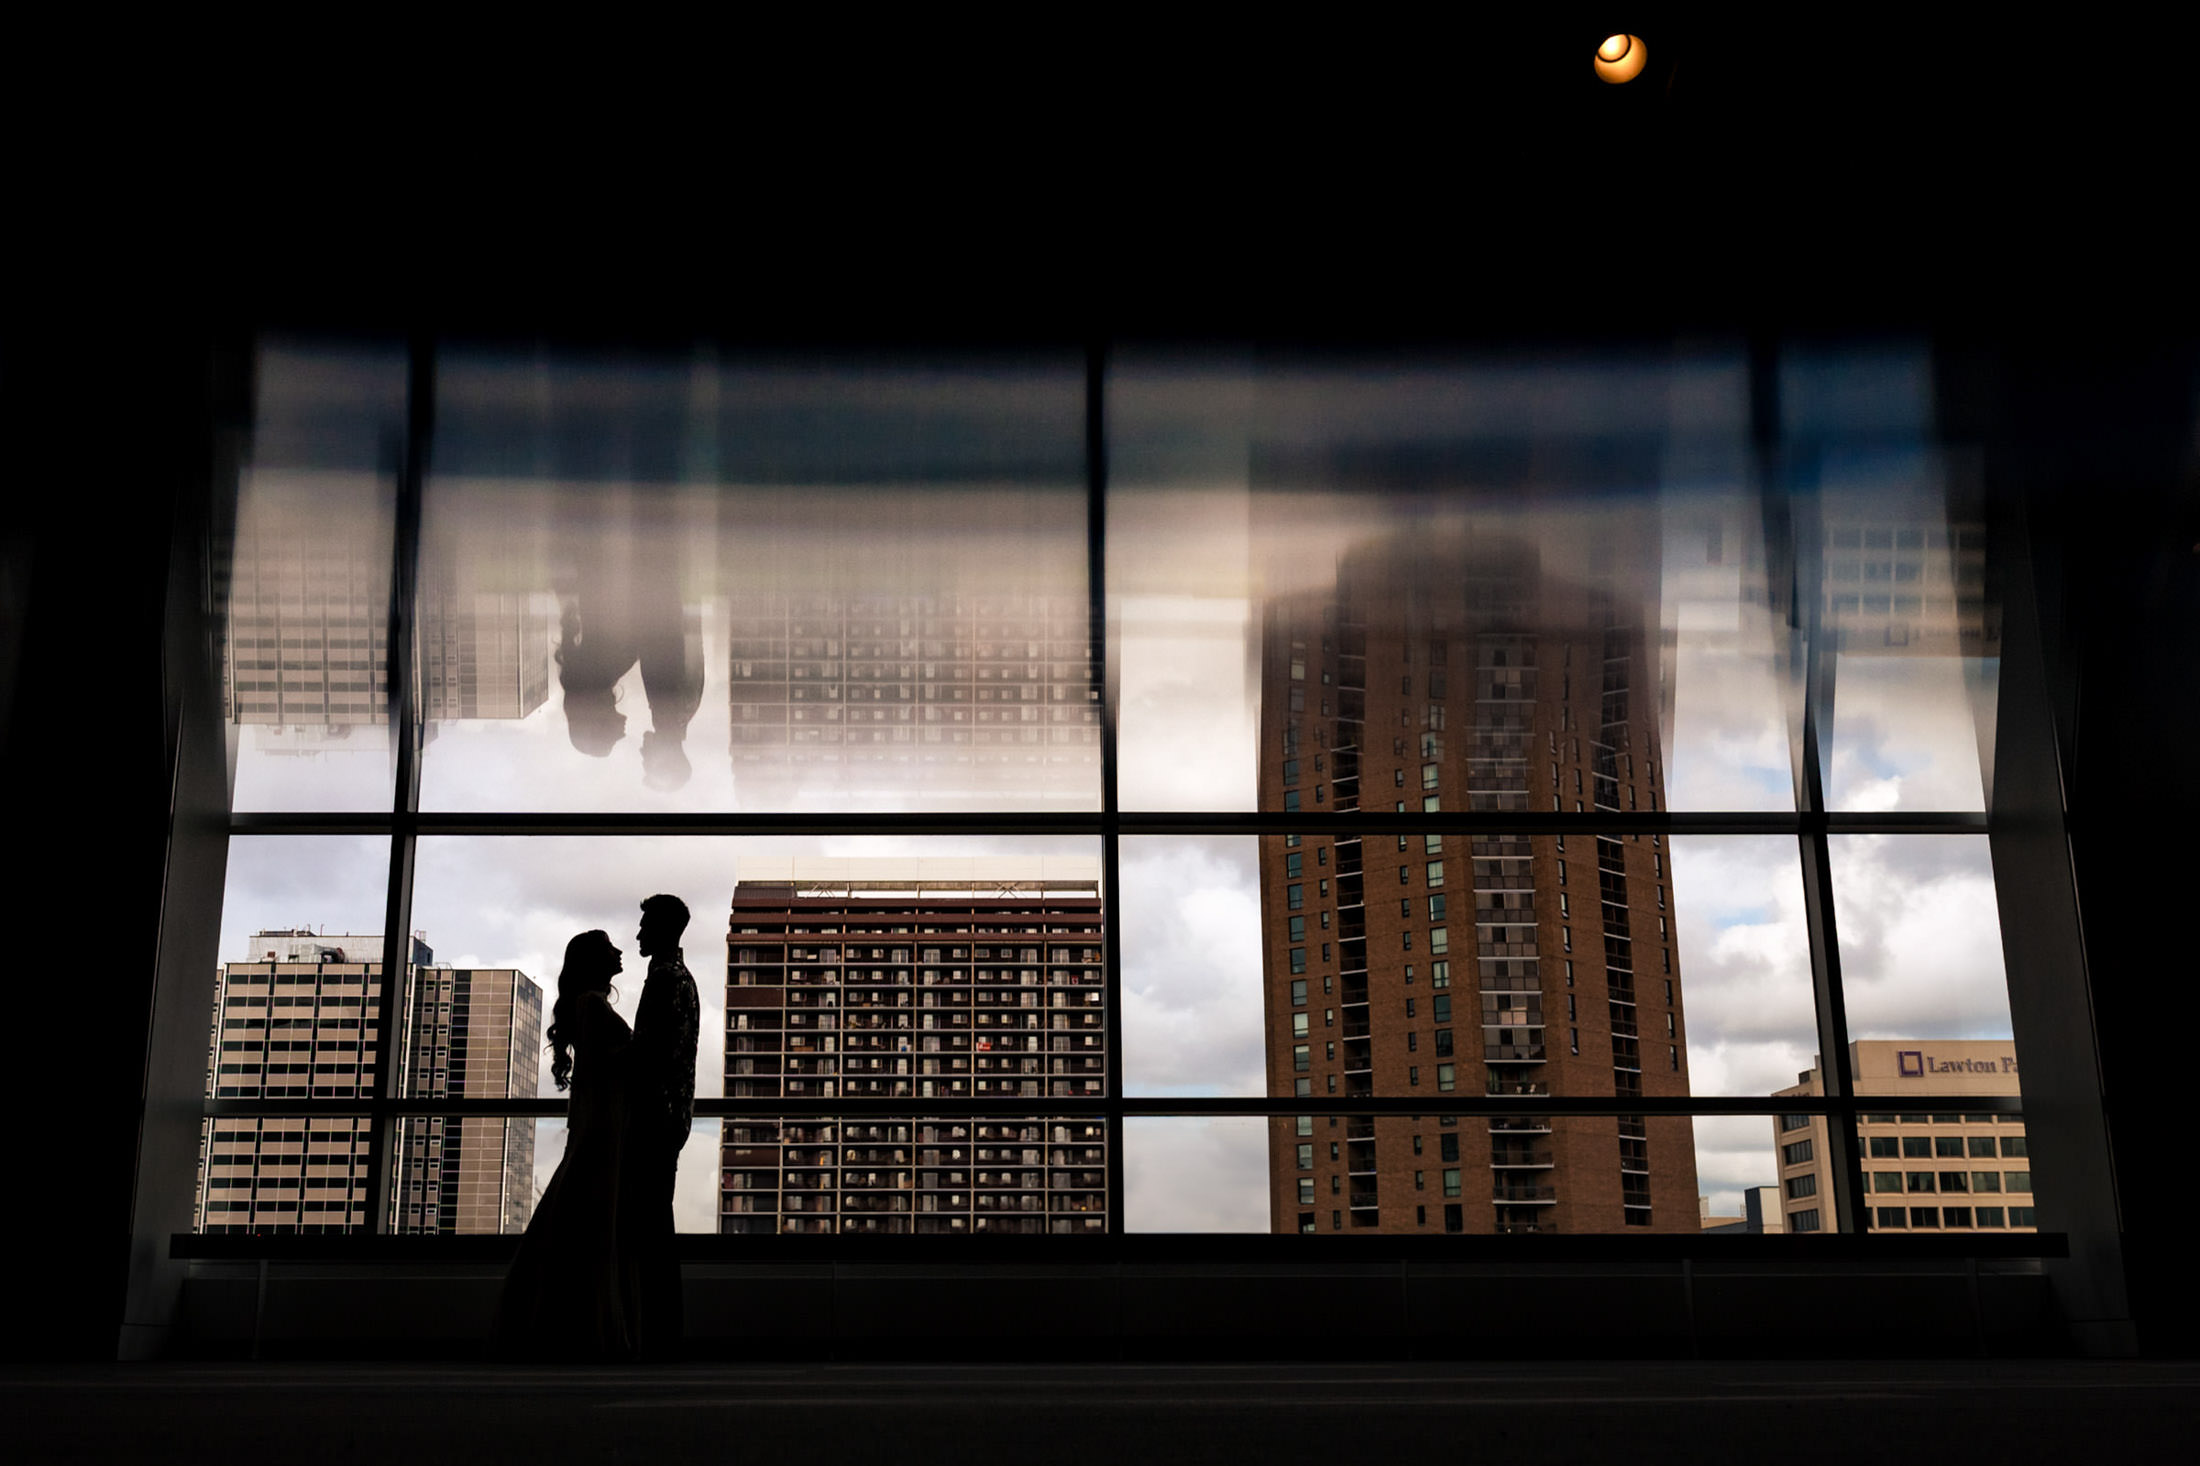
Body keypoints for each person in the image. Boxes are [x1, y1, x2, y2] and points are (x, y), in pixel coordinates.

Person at [493, 931, 638, 1360]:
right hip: (604, 1125)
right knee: (594, 1227)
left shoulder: (587, 1005)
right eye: (610, 948)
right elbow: (606, 1068)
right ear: (595, 961)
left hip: (599, 1122)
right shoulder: (592, 1006)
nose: (619, 952)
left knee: (578, 1223)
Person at [622, 893, 699, 1359]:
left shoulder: (665, 980)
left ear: (665, 929)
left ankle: (658, 1334)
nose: (639, 934)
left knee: (650, 1230)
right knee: (656, 1226)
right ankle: (661, 1333)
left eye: (646, 924)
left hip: (654, 1119)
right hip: (671, 1118)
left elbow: (648, 1055)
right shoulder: (681, 979)